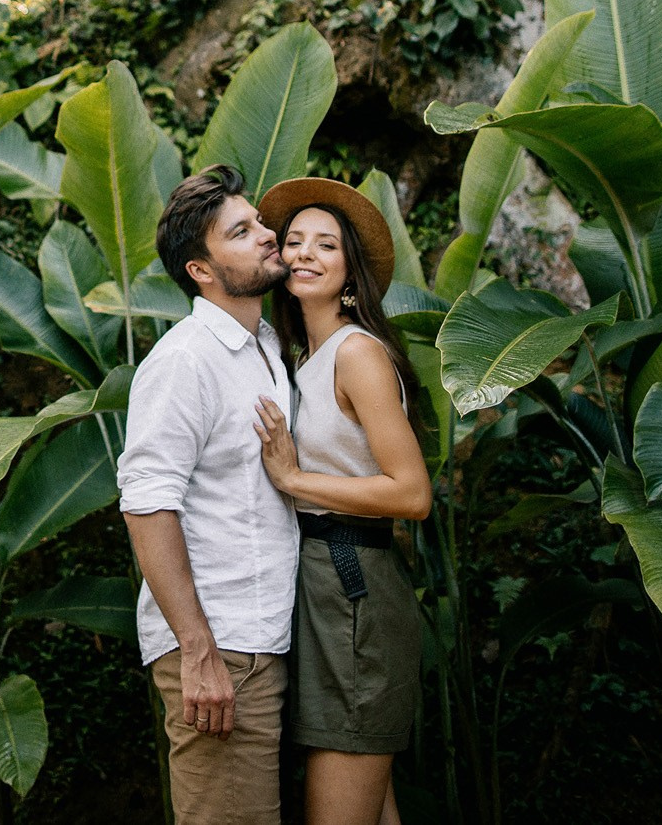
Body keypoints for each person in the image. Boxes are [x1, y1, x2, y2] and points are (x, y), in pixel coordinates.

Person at [119, 164, 299, 825]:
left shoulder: (266, 345)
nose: (268, 235)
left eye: (259, 222)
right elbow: (146, 505)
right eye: (241, 232)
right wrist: (199, 651)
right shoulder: (184, 360)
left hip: (266, 639)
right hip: (221, 648)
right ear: (201, 270)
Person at [251, 178, 433, 825]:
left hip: (353, 588)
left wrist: (294, 480)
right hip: (326, 590)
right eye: (294, 241)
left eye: (325, 245)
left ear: (351, 271)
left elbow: (412, 492)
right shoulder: (306, 359)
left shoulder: (357, 355)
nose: (305, 253)